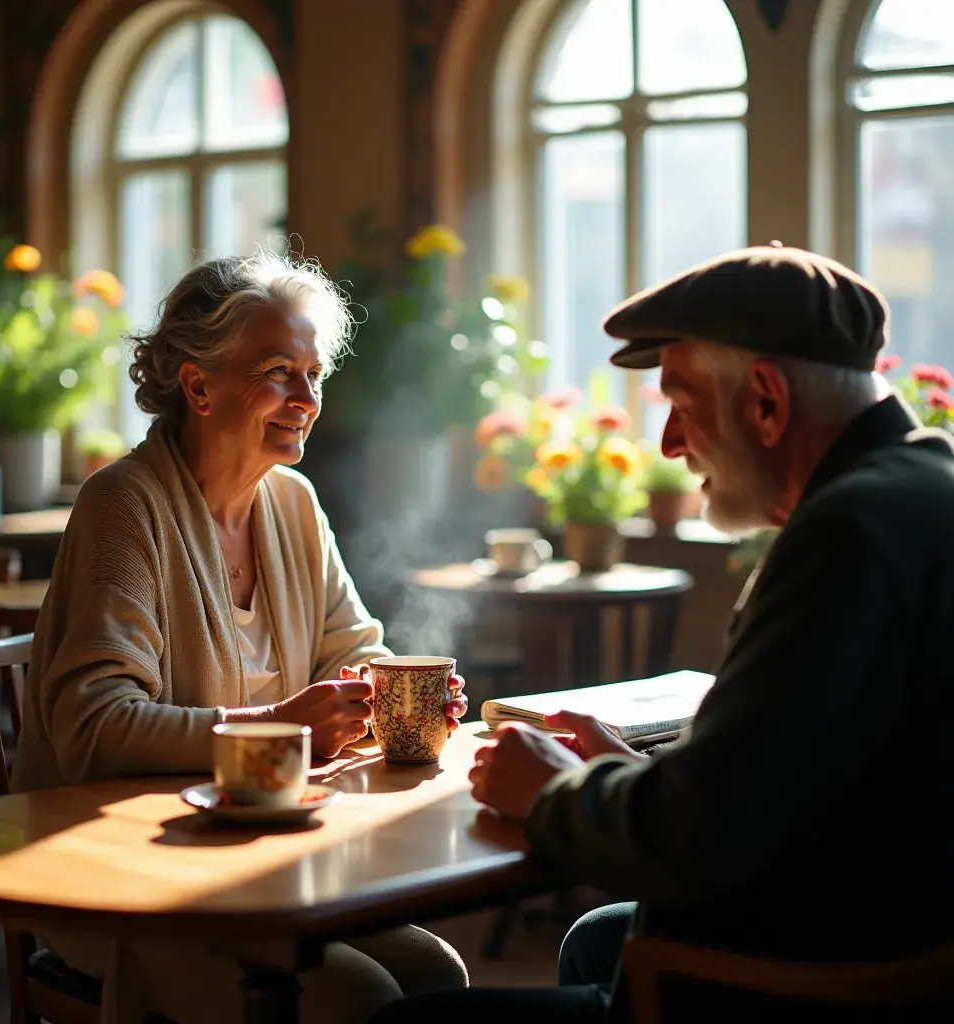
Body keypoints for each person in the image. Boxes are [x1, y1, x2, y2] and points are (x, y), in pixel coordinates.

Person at [366, 245, 954, 1023]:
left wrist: (555, 789)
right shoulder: (921, 488)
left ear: (767, 402)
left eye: (682, 402)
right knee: (595, 940)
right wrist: (630, 771)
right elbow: (805, 773)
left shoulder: (846, 535)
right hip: (879, 923)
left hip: (813, 982)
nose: (670, 445)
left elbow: (700, 839)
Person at [11, 250, 469, 1024]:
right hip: (121, 880)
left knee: (436, 974)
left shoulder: (291, 501)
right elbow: (94, 725)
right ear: (197, 385)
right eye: (280, 372)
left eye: (314, 374)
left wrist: (397, 692)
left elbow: (352, 646)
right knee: (362, 1000)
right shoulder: (123, 505)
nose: (307, 398)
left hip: (259, 861)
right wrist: (279, 726)